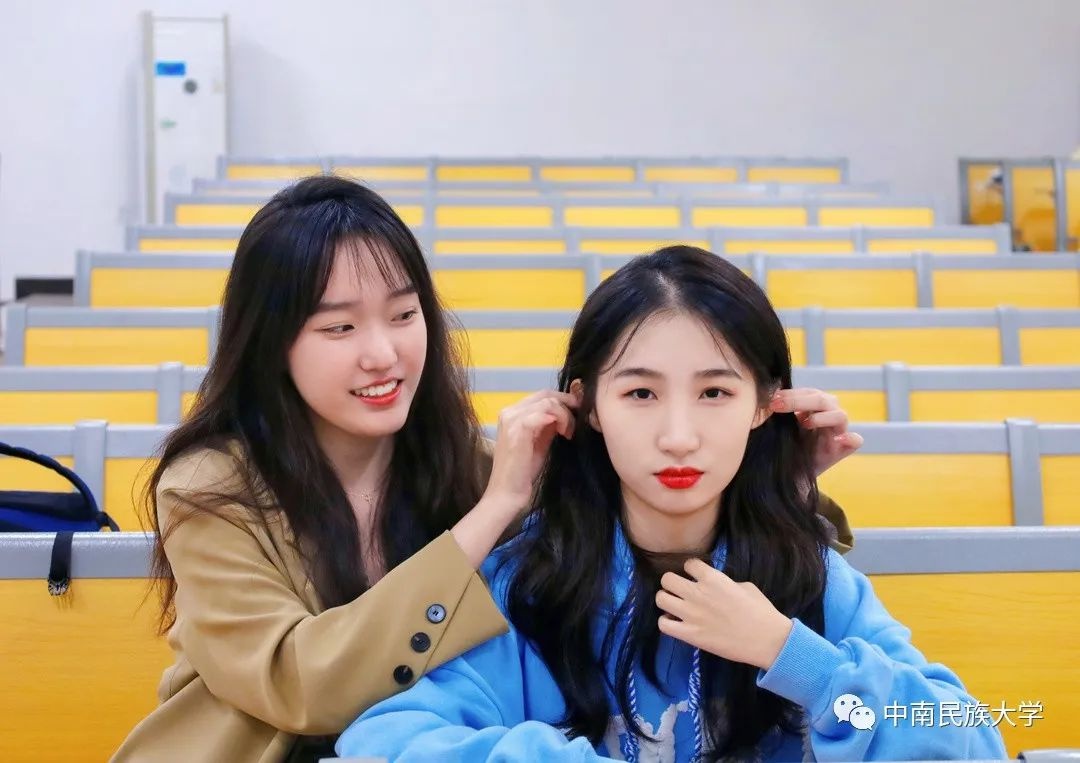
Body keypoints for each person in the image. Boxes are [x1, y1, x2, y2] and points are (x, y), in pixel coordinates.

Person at [113, 178, 861, 762]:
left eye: (404, 315)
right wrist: (494, 508)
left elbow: (639, 517)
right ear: (271, 342)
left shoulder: (456, 461)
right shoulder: (210, 490)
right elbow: (300, 687)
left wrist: (783, 481)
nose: (383, 353)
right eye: (339, 326)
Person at [336, 246, 1007, 762]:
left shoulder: (810, 577)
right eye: (640, 393)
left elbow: (970, 739)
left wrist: (794, 656)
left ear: (763, 405)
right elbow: (386, 740)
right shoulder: (534, 582)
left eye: (715, 392)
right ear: (588, 406)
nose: (678, 436)